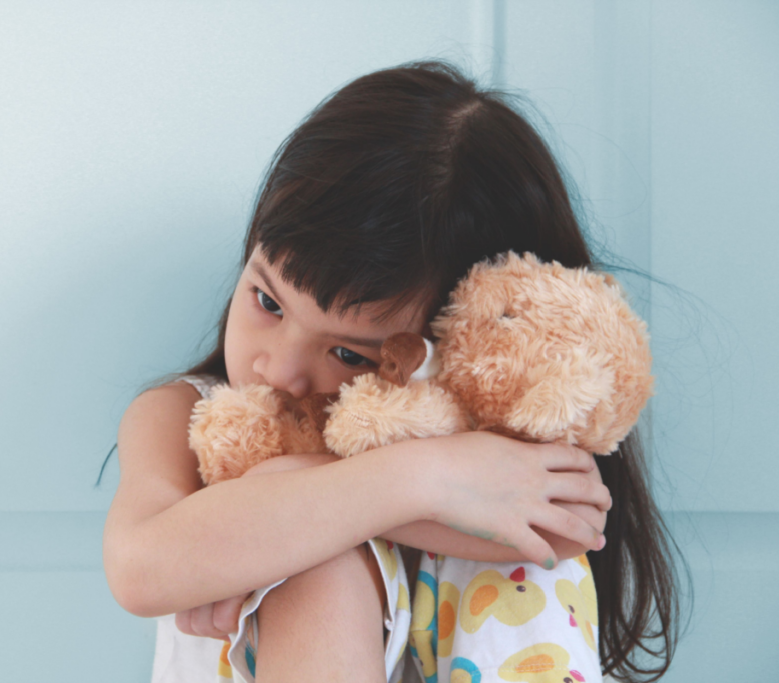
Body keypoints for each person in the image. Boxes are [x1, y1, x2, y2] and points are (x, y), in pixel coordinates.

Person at [102, 60, 681, 683]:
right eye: (267, 302)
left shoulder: (497, 459)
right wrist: (419, 479)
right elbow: (141, 567)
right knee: (317, 565)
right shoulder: (180, 416)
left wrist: (262, 506)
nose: (277, 371)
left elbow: (566, 529)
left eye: (351, 353)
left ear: (458, 338)